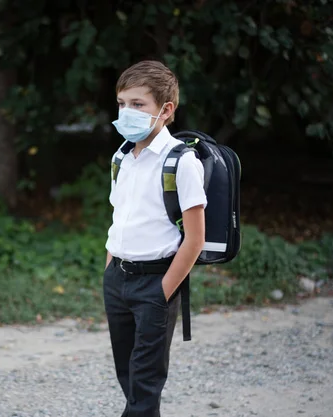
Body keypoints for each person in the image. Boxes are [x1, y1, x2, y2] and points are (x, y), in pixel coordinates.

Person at [103, 60, 207, 417]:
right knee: (128, 376)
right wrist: (109, 270)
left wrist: (163, 292)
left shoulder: (182, 162)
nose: (126, 112)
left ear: (166, 110)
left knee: (145, 383)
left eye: (137, 104)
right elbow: (119, 217)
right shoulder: (121, 158)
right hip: (117, 280)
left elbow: (194, 238)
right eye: (121, 104)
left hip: (155, 283)